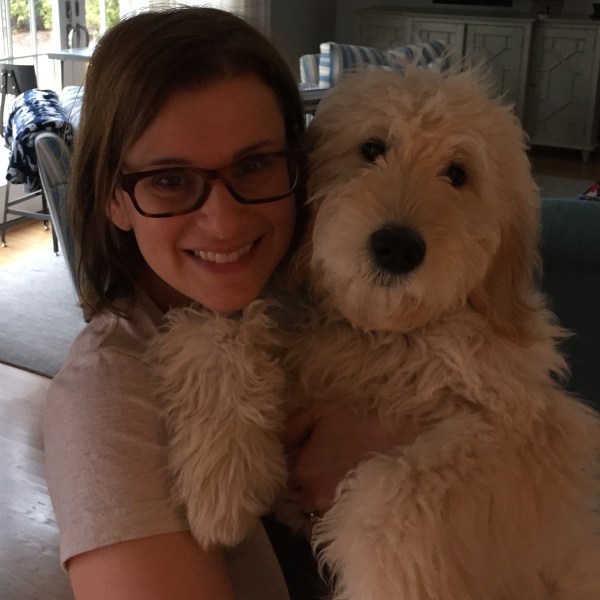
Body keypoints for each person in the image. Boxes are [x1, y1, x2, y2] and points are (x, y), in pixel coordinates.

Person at [44, 7, 416, 599]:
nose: (223, 221)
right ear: (114, 199)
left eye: (254, 165)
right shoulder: (107, 397)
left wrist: (399, 430)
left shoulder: (328, 301)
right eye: (170, 179)